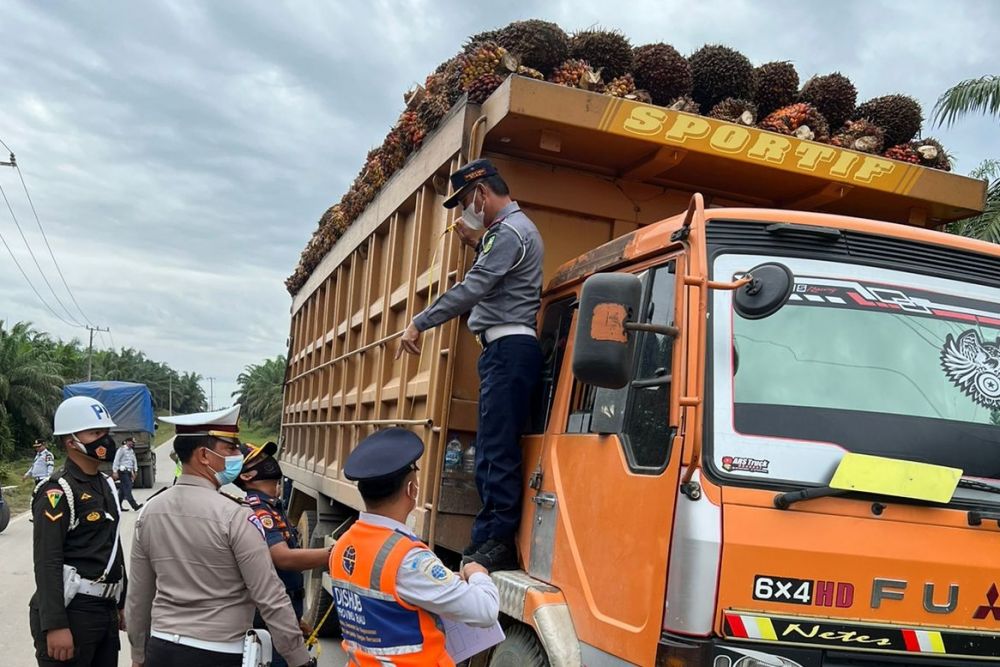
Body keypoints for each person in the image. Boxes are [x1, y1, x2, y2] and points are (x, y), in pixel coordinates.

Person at [397, 158, 544, 571]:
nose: (466, 209)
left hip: (507, 349)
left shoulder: (509, 231)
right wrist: (478, 244)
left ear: (481, 193)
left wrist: (419, 323)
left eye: (465, 200)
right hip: (507, 350)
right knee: (494, 448)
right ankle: (491, 535)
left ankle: (495, 539)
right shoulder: (508, 234)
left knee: (496, 450)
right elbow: (502, 275)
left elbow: (475, 286)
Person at [125, 406, 313, 667]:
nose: (237, 455)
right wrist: (299, 659)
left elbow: (139, 596)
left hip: (162, 648)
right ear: (203, 455)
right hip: (218, 652)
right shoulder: (235, 516)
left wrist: (138, 655)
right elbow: (270, 596)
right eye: (231, 448)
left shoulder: (149, 512)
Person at [330, 428, 500, 664]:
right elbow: (485, 611)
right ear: (412, 489)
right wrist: (478, 575)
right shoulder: (407, 557)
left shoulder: (343, 546)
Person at [29, 396, 127, 667]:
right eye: (96, 433)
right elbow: (47, 561)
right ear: (71, 441)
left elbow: (112, 547)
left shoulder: (105, 484)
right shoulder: (58, 491)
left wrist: (121, 600)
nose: (105, 440)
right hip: (73, 610)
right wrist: (55, 625)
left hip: (104, 610)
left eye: (106, 432)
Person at [235, 441, 331, 667]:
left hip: (285, 606)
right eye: (260, 460)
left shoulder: (271, 505)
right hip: (274, 608)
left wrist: (295, 618)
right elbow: (282, 557)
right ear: (247, 476)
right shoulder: (258, 508)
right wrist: (334, 554)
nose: (269, 462)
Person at [111, 437, 142, 511]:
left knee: (122, 490)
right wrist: (115, 471)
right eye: (132, 442)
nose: (133, 444)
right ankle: (135, 506)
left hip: (129, 472)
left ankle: (118, 506)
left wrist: (135, 470)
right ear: (127, 442)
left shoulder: (131, 451)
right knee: (128, 488)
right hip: (123, 471)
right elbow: (116, 460)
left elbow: (134, 461)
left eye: (134, 443)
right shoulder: (121, 450)